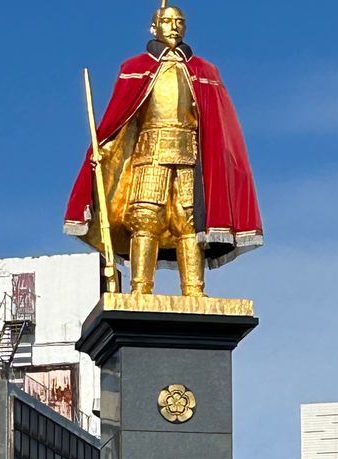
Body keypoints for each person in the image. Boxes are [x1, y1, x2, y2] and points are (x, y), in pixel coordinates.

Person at [64, 1, 263, 297]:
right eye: (168, 21)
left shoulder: (203, 71)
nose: (174, 27)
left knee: (190, 220)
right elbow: (121, 118)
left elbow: (219, 123)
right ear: (153, 27)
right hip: (150, 153)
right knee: (145, 217)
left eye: (179, 22)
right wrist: (104, 147)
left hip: (189, 155)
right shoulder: (135, 68)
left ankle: (194, 291)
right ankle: (141, 290)